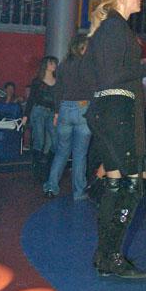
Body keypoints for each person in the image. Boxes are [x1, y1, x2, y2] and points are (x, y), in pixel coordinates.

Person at [85, 0, 146, 279]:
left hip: (113, 111)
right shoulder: (115, 28)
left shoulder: (112, 28)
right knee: (132, 185)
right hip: (117, 112)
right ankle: (111, 255)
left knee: (118, 184)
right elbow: (111, 76)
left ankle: (105, 255)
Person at [43, 34, 94, 200]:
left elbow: (58, 91)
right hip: (83, 108)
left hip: (64, 108)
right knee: (80, 155)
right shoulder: (89, 65)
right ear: (82, 47)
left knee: (61, 152)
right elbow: (94, 89)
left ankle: (51, 187)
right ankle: (79, 192)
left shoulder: (63, 65)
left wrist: (57, 112)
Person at [22, 56, 58, 181]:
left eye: (55, 63)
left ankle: (48, 167)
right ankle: (36, 167)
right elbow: (31, 98)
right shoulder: (37, 81)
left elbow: (58, 99)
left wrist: (57, 113)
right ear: (45, 65)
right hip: (39, 111)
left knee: (55, 141)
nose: (54, 65)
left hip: (51, 112)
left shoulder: (57, 81)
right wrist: (26, 115)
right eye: (51, 63)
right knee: (40, 141)